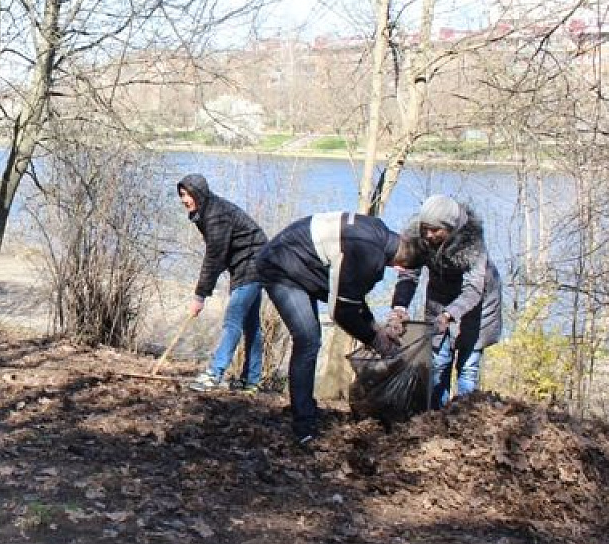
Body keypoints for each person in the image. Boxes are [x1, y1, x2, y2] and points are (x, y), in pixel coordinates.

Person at [257, 211, 411, 445]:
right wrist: (375, 339)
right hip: (281, 265)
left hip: (303, 266)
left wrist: (376, 328)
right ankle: (303, 427)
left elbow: (353, 296)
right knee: (308, 340)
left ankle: (305, 410)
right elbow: (341, 312)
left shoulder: (379, 234)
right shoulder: (369, 252)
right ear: (400, 266)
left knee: (309, 339)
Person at [388, 195, 503, 409]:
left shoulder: (472, 245)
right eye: (425, 229)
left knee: (468, 366)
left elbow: (473, 290)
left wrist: (450, 315)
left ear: (450, 229)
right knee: (438, 363)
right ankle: (437, 417)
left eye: (435, 230)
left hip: (478, 305)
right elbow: (408, 275)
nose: (428, 235)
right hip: (439, 299)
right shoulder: (418, 239)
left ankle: (463, 417)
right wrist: (399, 307)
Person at [177, 173, 267, 393]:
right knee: (251, 325)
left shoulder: (216, 215)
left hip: (253, 264)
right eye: (181, 195)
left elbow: (214, 257)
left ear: (199, 193)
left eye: (188, 194)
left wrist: (200, 296)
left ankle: (214, 374)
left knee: (233, 319)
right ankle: (252, 381)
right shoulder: (205, 212)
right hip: (250, 264)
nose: (184, 200)